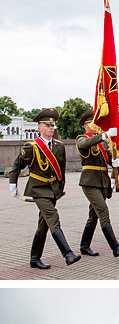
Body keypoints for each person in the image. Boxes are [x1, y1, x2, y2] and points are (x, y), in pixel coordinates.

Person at [7, 109, 80, 270]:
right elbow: (17, 165)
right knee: (52, 217)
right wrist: (13, 184)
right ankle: (67, 253)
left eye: (52, 125)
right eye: (47, 125)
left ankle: (34, 258)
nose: (51, 128)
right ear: (39, 128)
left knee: (44, 224)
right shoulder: (32, 146)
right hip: (38, 189)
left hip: (52, 189)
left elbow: (60, 170)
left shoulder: (59, 146)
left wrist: (60, 189)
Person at [76, 110, 119, 260]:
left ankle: (84, 246)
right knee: (103, 211)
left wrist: (115, 161)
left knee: (93, 216)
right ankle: (116, 248)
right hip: (89, 183)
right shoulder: (82, 139)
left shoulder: (101, 143)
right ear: (86, 125)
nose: (97, 125)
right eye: (94, 123)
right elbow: (85, 143)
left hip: (101, 182)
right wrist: (104, 135)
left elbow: (107, 159)